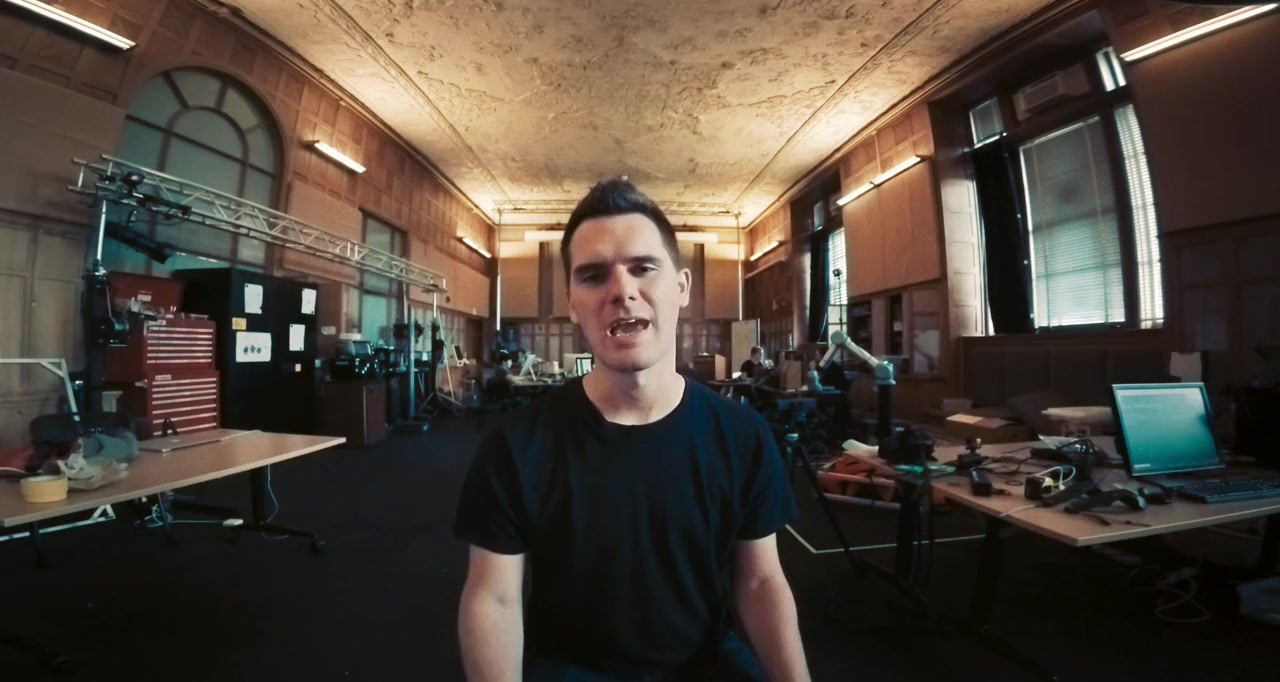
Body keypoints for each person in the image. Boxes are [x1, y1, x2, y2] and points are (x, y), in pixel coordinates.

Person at [455, 179, 809, 681]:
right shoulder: (516, 444)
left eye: (643, 267)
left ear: (681, 288)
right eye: (594, 275)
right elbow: (494, 596)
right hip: (569, 668)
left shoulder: (742, 435)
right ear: (572, 302)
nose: (622, 290)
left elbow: (760, 580)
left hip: (703, 662)